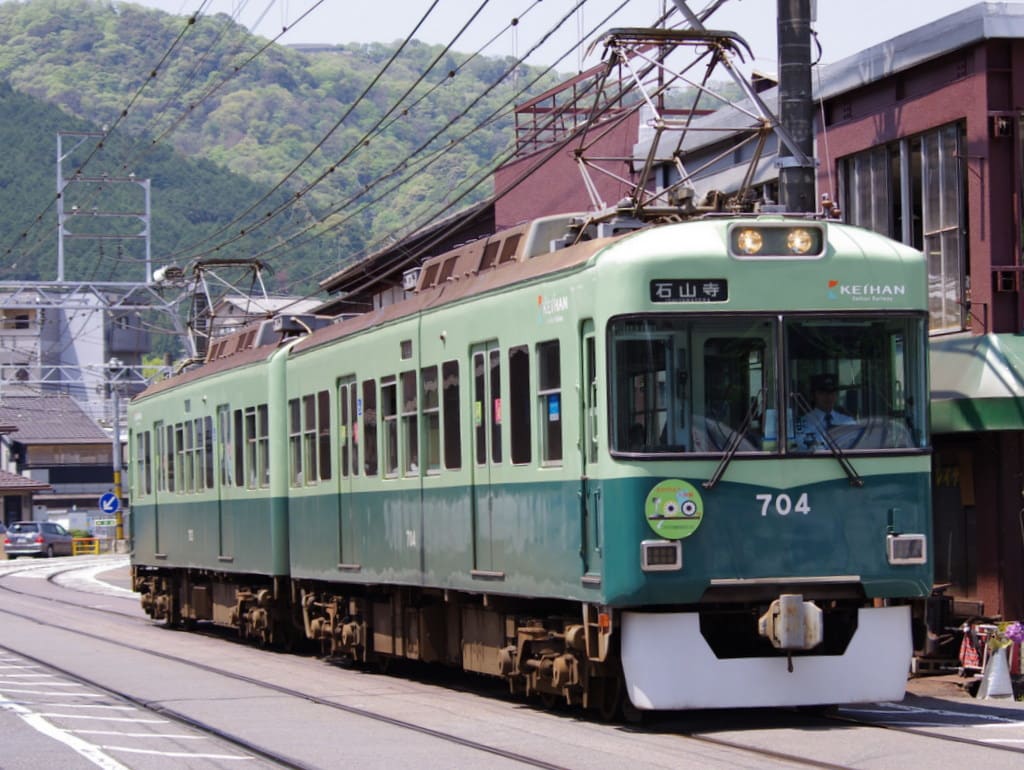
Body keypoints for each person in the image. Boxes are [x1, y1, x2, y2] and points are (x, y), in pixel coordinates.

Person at [796, 373, 856, 448]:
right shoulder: (803, 424)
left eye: (832, 392)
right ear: (812, 396)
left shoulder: (848, 422)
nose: (828, 397)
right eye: (822, 393)